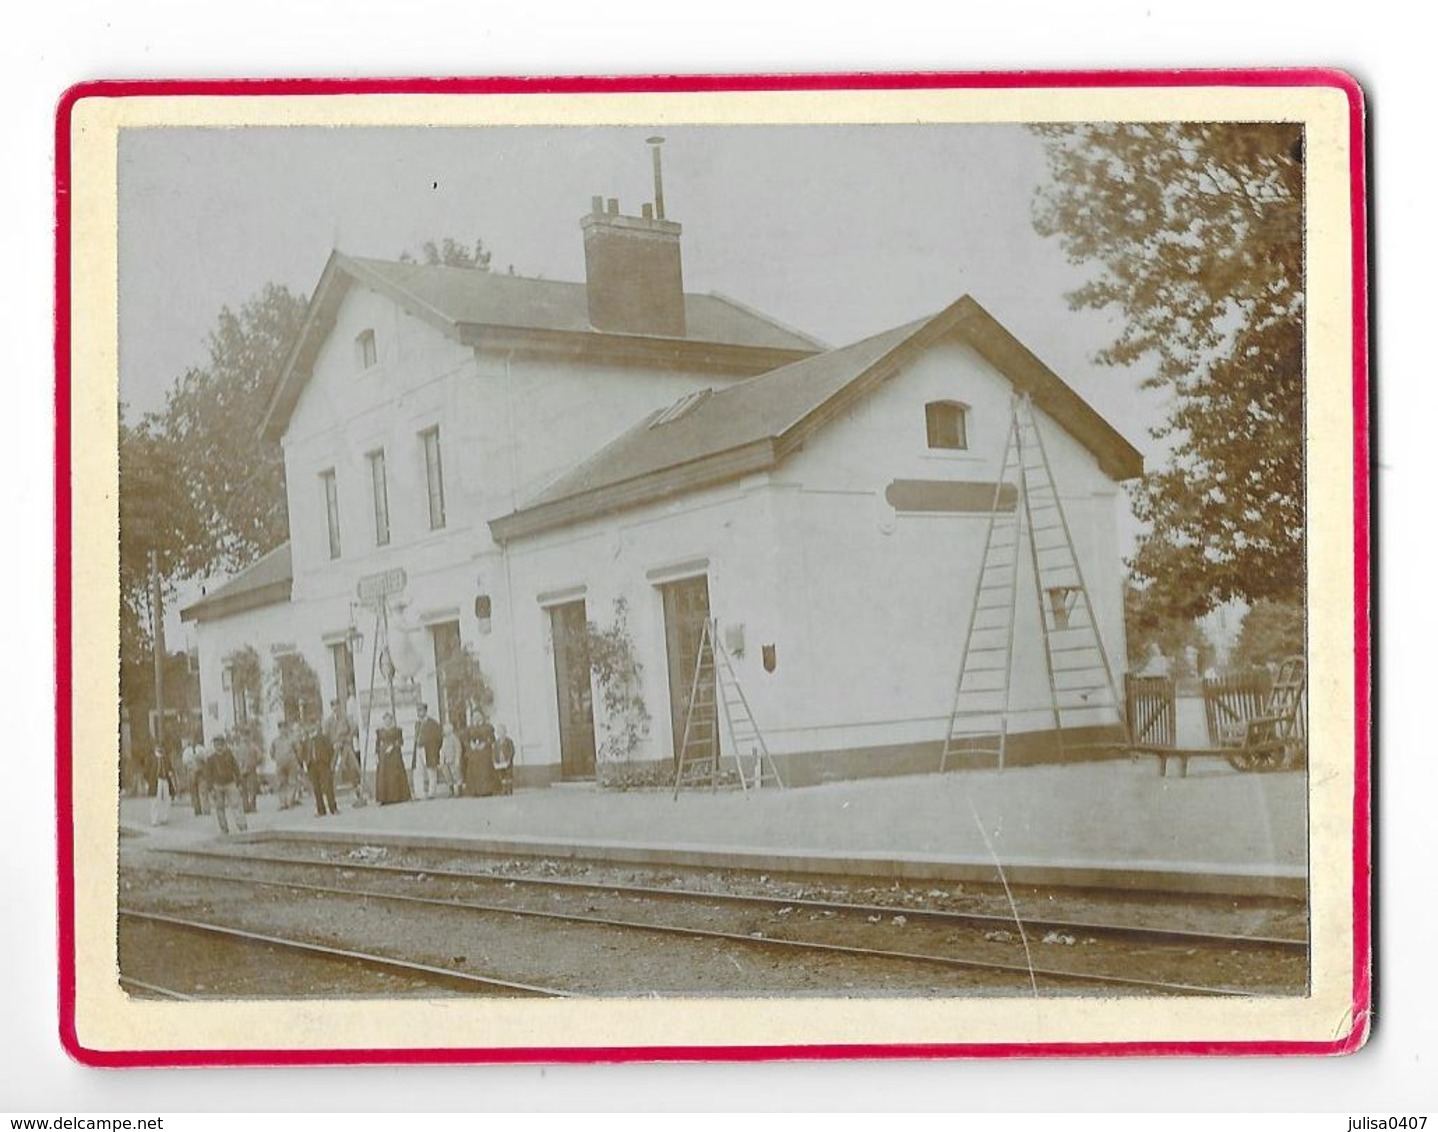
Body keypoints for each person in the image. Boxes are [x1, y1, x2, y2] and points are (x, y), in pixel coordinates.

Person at [325, 698, 367, 806]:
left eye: (337, 706)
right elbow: (326, 735)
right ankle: (330, 795)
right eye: (333, 706)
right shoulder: (329, 721)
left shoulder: (345, 717)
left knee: (353, 767)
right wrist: (333, 744)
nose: (336, 708)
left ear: (340, 706)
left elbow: (353, 727)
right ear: (331, 708)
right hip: (335, 747)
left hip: (346, 746)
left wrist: (348, 737)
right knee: (332, 769)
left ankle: (358, 791)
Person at [207, 737, 248, 835]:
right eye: (217, 745)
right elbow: (208, 775)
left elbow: (236, 769)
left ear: (224, 745)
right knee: (219, 808)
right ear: (214, 746)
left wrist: (239, 783)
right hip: (217, 786)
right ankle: (224, 829)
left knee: (236, 805)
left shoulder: (229, 756)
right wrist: (210, 788)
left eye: (221, 744)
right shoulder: (211, 759)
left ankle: (242, 826)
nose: (219, 747)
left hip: (230, 784)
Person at [373, 711, 411, 805]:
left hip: (394, 756)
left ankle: (397, 797)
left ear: (391, 720)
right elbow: (377, 744)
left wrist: (393, 745)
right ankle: (385, 799)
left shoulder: (397, 730)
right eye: (385, 720)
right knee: (384, 776)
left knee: (394, 776)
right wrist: (376, 754)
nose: (387, 721)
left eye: (389, 719)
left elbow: (401, 741)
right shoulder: (380, 731)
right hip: (383, 758)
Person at [302, 724, 339, 817]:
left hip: (323, 764)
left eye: (313, 727)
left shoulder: (323, 738)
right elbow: (303, 753)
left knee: (328, 787)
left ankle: (333, 808)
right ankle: (321, 810)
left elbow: (331, 750)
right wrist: (306, 764)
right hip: (312, 766)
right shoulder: (306, 741)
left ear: (317, 728)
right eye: (309, 727)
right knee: (316, 788)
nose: (311, 729)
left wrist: (329, 762)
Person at [412, 703, 444, 800]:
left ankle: (431, 793)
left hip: (429, 750)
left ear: (425, 711)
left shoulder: (433, 723)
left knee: (431, 771)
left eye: (421, 710)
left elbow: (439, 737)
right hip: (418, 749)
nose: (419, 713)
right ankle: (420, 794)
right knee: (418, 771)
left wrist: (435, 749)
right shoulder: (417, 724)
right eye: (418, 711)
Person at [461, 713, 497, 797]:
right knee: (473, 770)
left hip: (484, 752)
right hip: (474, 752)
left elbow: (492, 739)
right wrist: (471, 745)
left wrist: (485, 744)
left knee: (485, 770)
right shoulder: (470, 728)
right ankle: (474, 791)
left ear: (482, 718)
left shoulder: (488, 727)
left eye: (478, 717)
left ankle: (486, 790)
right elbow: (465, 740)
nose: (476, 719)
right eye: (474, 717)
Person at [181, 733, 208, 817]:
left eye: (194, 740)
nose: (193, 741)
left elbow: (206, 760)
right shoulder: (186, 751)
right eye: (191, 740)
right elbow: (184, 763)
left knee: (203, 791)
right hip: (191, 772)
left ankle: (205, 809)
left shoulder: (201, 749)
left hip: (200, 772)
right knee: (194, 791)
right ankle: (197, 810)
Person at [150, 742, 175, 826]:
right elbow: (146, 771)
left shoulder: (166, 759)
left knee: (166, 799)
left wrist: (170, 772)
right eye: (158, 747)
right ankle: (154, 820)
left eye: (161, 748)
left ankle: (164, 818)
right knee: (155, 801)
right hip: (156, 781)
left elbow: (170, 768)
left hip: (165, 780)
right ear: (155, 748)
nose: (160, 749)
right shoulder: (151, 759)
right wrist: (149, 781)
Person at [439, 722, 462, 797]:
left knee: (456, 775)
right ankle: (451, 790)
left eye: (445, 729)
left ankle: (459, 790)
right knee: (448, 776)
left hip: (452, 759)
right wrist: (441, 760)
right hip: (445, 761)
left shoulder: (454, 738)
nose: (444, 731)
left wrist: (457, 759)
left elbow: (458, 749)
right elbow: (442, 750)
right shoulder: (444, 739)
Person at [492, 722, 515, 796]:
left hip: (507, 761)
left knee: (508, 775)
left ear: (505, 732)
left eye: (502, 731)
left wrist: (509, 759)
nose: (500, 734)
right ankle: (504, 789)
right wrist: (494, 761)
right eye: (499, 732)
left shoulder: (508, 741)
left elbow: (512, 750)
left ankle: (509, 789)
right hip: (500, 761)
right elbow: (494, 752)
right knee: (502, 775)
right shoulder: (496, 742)